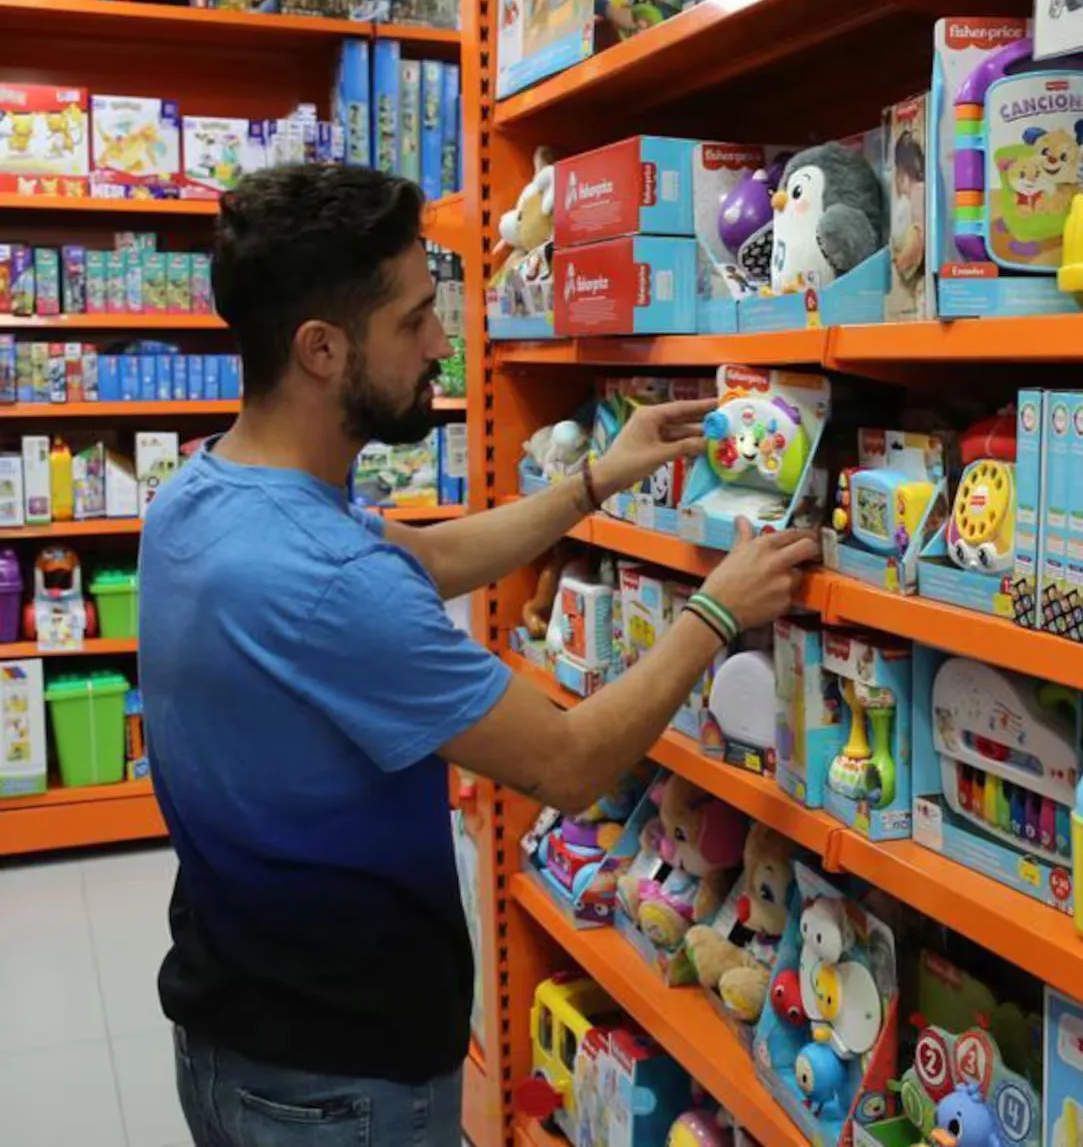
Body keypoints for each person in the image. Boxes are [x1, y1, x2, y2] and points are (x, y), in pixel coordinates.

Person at [139, 165, 818, 1147]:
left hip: (233, 1034)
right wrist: (716, 612)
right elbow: (568, 764)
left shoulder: (202, 496)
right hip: (341, 1080)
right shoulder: (331, 583)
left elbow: (425, 558)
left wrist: (595, 480)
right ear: (322, 349)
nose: (442, 343)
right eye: (415, 320)